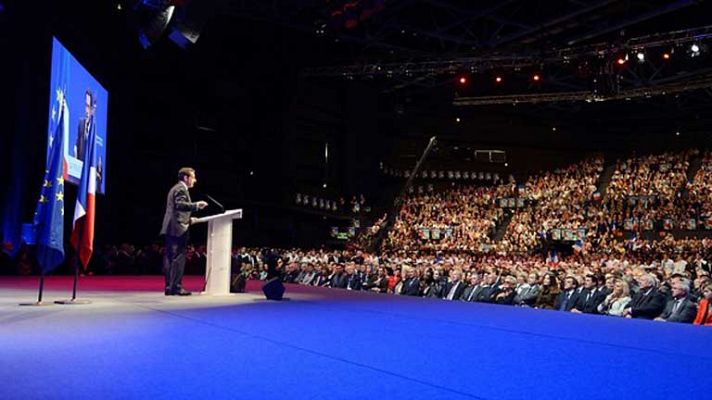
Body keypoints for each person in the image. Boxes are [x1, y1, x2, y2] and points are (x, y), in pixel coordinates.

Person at [160, 167, 208, 295]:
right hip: (178, 228)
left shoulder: (175, 188)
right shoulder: (181, 189)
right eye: (193, 177)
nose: (195, 180)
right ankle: (176, 287)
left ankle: (169, 287)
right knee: (178, 257)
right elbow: (179, 205)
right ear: (186, 178)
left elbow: (176, 210)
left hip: (172, 226)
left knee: (170, 258)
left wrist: (189, 218)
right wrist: (196, 205)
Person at [74, 89, 96, 161]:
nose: (87, 111)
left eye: (89, 107)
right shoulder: (81, 123)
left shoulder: (94, 129)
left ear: (92, 110)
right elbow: (77, 146)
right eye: (86, 105)